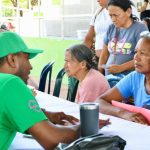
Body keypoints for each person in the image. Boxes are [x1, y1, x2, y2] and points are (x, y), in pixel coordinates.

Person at [0, 32, 110, 150]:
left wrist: (44, 116)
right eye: (27, 59)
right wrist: (85, 126)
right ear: (11, 59)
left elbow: (12, 113)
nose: (30, 66)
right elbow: (51, 139)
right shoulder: (10, 83)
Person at [96, 31, 150, 125]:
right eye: (136, 52)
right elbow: (100, 101)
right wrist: (124, 113)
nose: (136, 58)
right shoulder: (135, 77)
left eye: (142, 53)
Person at [98, 0, 148, 86]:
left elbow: (144, 57)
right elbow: (104, 54)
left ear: (128, 12)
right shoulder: (111, 28)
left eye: (116, 15)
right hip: (109, 80)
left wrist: (120, 68)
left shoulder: (140, 29)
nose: (113, 19)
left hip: (130, 83)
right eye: (110, 16)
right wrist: (100, 71)